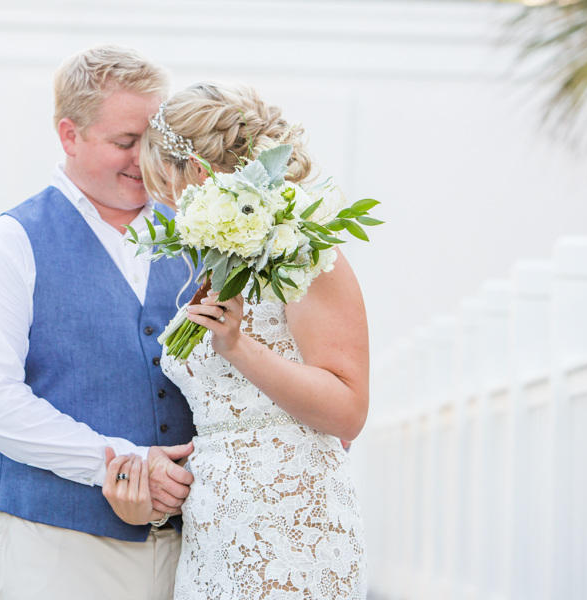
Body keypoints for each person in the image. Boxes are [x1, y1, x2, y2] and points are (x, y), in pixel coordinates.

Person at [0, 45, 201, 600]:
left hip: (193, 554)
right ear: (69, 134)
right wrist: (115, 462)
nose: (145, 159)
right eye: (125, 142)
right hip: (55, 548)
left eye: (155, 140)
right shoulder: (11, 244)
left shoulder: (198, 238)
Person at [103, 82, 369, 599]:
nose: (162, 204)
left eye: (166, 184)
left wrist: (240, 347)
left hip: (292, 522)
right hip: (216, 528)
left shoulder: (302, 250)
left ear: (198, 174)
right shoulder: (220, 263)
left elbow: (348, 408)